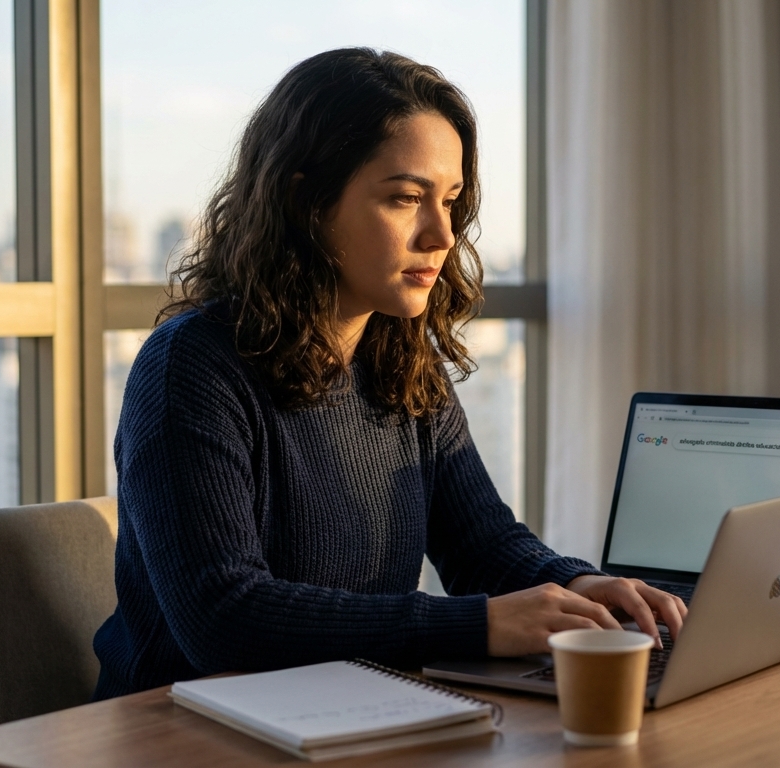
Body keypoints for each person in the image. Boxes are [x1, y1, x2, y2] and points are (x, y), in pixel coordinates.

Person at [92, 47, 686, 699]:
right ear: (307, 201)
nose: (441, 235)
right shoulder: (191, 368)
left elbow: (483, 547)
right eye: (405, 199)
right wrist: (477, 625)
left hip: (347, 714)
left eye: (451, 201)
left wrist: (577, 586)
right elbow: (222, 619)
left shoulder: (400, 359)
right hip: (182, 733)